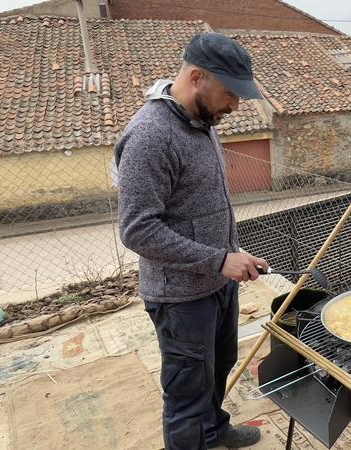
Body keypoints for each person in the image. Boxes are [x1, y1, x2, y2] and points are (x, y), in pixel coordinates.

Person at [115, 33, 268, 449]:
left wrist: (230, 256)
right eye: (231, 94)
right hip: (180, 297)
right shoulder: (150, 135)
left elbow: (204, 206)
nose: (235, 107)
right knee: (186, 391)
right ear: (197, 77)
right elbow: (137, 229)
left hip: (217, 286)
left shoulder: (204, 122)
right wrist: (219, 259)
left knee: (218, 368)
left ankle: (215, 431)